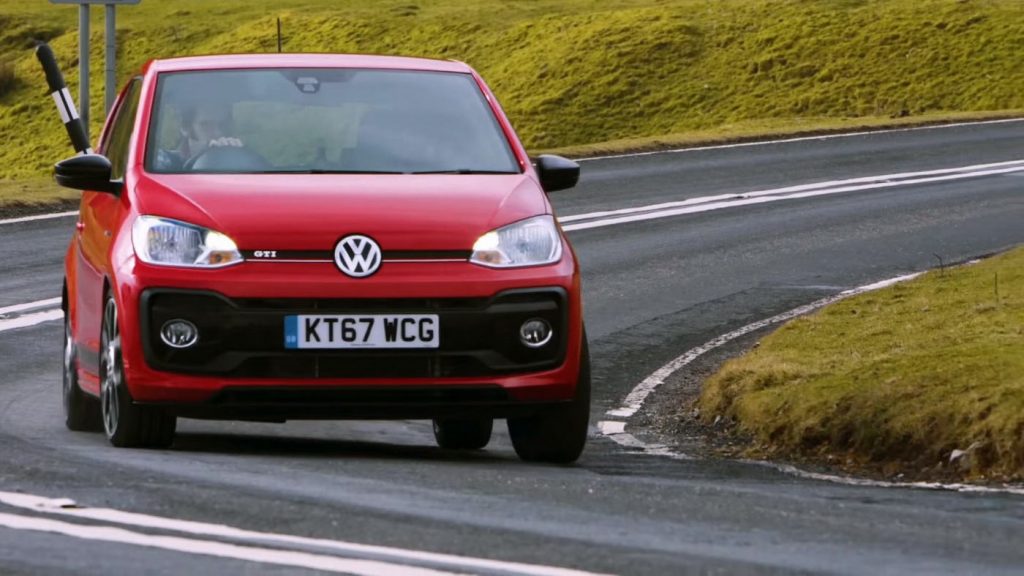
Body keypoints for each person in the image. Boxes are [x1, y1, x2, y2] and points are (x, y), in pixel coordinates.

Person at [155, 101, 243, 170]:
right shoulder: (166, 161)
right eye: (206, 125)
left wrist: (238, 156)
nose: (217, 132)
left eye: (222, 124)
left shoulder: (240, 163)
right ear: (185, 128)